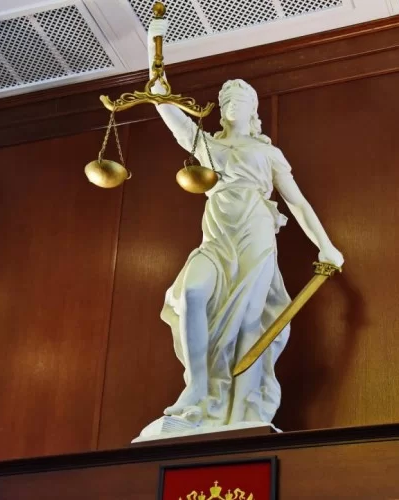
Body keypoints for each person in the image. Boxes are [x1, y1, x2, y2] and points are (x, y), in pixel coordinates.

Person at [142, 18, 344, 436]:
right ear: (220, 108)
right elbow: (164, 106)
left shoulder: (268, 154)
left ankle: (239, 406)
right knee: (192, 293)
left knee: (248, 322)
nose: (234, 102)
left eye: (243, 98)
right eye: (228, 98)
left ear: (254, 110)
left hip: (255, 235)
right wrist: (153, 53)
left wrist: (327, 247)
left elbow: (297, 202)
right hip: (217, 237)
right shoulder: (207, 146)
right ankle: (197, 387)